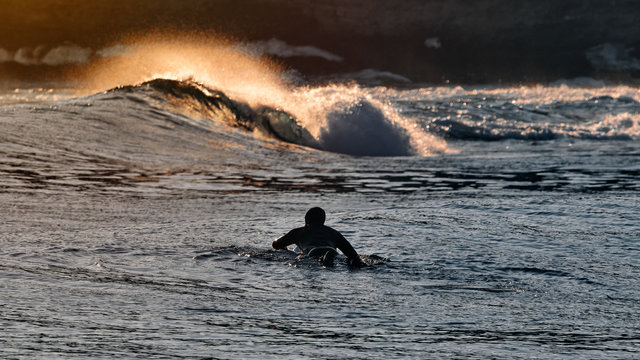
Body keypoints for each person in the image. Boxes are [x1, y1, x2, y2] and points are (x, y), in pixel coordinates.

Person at [272, 207, 365, 267]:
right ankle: (327, 259)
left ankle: (325, 260)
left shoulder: (298, 232)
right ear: (323, 220)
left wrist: (285, 250)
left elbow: (276, 245)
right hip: (331, 251)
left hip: (313, 252)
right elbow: (352, 254)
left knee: (318, 262)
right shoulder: (334, 233)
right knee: (346, 261)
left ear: (306, 220)